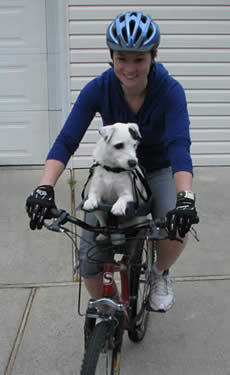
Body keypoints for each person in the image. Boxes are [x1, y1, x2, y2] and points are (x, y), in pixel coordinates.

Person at [26, 11, 198, 312]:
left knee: (174, 224)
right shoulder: (99, 88)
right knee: (89, 258)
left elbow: (179, 146)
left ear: (152, 58)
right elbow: (67, 140)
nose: (129, 68)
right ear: (112, 57)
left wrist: (185, 198)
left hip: (155, 168)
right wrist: (44, 187)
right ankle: (111, 309)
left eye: (139, 59)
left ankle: (160, 273)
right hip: (112, 172)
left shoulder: (170, 91)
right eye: (122, 58)